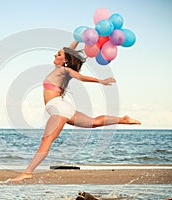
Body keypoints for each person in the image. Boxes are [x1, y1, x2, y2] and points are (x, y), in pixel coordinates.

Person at [12, 41, 141, 182]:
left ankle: (28, 172)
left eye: (59, 54)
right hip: (63, 107)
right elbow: (69, 51)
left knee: (46, 141)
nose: (55, 54)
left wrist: (100, 81)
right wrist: (77, 39)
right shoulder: (59, 68)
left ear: (65, 60)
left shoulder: (64, 70)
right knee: (93, 122)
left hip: (59, 108)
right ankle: (123, 119)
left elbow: (80, 77)